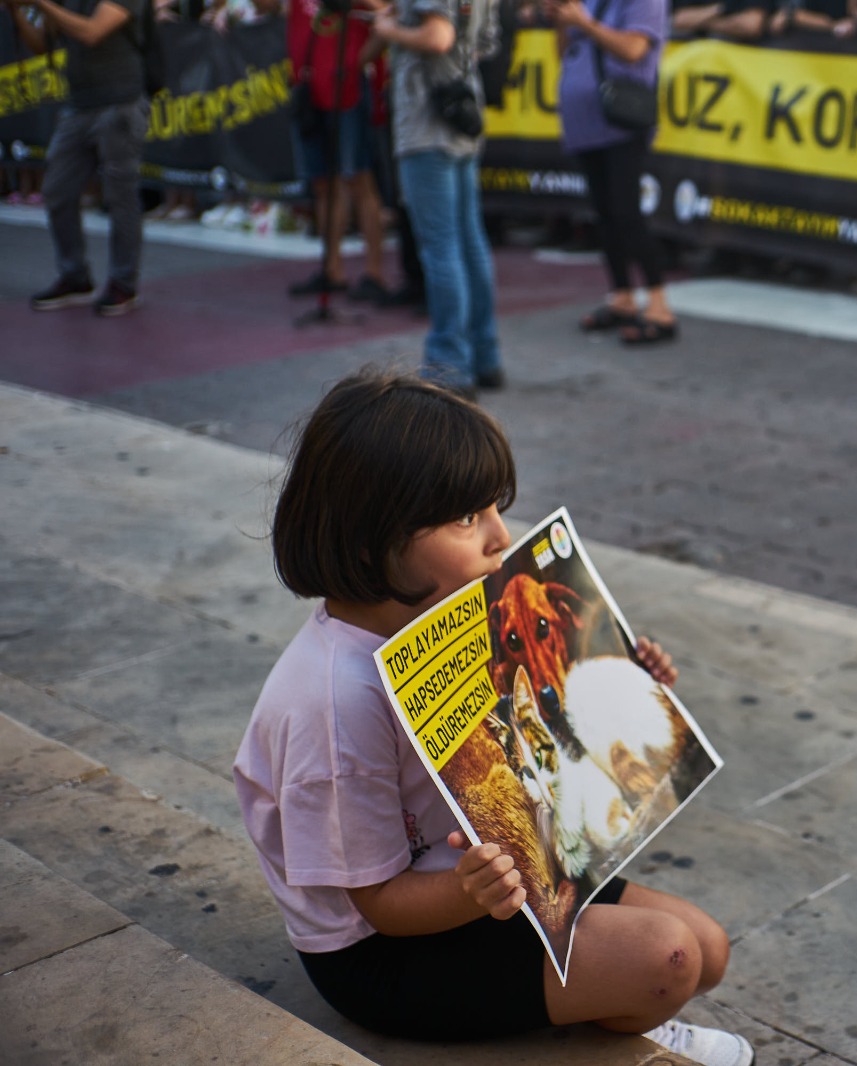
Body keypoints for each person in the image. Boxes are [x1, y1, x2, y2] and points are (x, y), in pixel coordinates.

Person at [234, 369, 755, 1066]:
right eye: (465, 518)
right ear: (372, 543)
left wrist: (623, 678)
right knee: (670, 959)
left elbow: (538, 725)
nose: (499, 536)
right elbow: (379, 906)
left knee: (709, 951)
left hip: (498, 872)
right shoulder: (333, 701)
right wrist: (475, 891)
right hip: (384, 954)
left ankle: (598, 1000)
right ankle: (604, 1025)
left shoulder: (447, 616)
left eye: (491, 509)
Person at [373, 0, 505, 395]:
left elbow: (437, 36)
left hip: (427, 123)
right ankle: (485, 355)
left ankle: (449, 363)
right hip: (461, 112)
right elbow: (484, 42)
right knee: (469, 242)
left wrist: (389, 31)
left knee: (442, 247)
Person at [545, 0, 679, 344]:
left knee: (626, 212)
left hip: (621, 122)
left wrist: (583, 22)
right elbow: (564, 52)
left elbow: (633, 49)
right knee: (604, 213)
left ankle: (659, 303)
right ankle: (621, 295)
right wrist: (562, 19)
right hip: (585, 123)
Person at [6, 0, 150, 315]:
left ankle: (123, 283)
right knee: (57, 190)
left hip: (120, 102)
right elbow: (42, 45)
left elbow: (92, 32)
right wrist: (17, 11)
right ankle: (74, 275)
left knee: (120, 195)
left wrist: (42, 3)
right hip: (79, 104)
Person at [287, 0, 393, 300]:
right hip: (311, 86)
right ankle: (331, 268)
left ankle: (374, 272)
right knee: (323, 183)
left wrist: (359, 61)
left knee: (358, 178)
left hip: (347, 86)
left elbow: (386, 13)